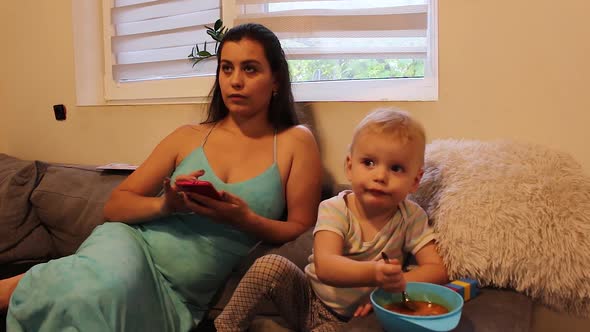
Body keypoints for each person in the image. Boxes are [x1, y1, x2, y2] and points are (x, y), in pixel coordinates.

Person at [1, 23, 322, 331]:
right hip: (130, 246)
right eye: (226, 68)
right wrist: (166, 207)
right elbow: (115, 207)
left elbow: (299, 226)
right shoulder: (188, 137)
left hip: (179, 292)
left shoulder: (296, 141)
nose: (235, 81)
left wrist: (244, 219)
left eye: (250, 69)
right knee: (101, 289)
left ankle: (23, 285)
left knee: (96, 294)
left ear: (276, 79)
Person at [215, 108, 449, 332]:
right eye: (368, 162)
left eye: (396, 168)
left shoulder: (412, 216)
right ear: (349, 166)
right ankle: (227, 326)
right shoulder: (335, 209)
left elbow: (438, 269)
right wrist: (375, 273)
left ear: (415, 180)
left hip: (349, 320)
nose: (379, 176)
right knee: (270, 265)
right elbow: (327, 266)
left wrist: (396, 284)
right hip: (306, 299)